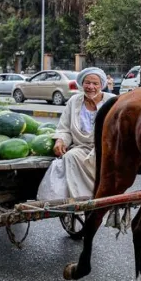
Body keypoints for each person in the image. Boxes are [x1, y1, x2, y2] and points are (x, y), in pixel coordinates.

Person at [37, 67, 116, 200]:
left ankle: (102, 197)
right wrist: (60, 140)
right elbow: (64, 128)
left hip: (106, 149)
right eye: (87, 83)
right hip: (81, 148)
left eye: (95, 84)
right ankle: (82, 199)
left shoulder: (113, 101)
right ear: (82, 84)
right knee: (70, 156)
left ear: (101, 85)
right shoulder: (74, 101)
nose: (91, 87)